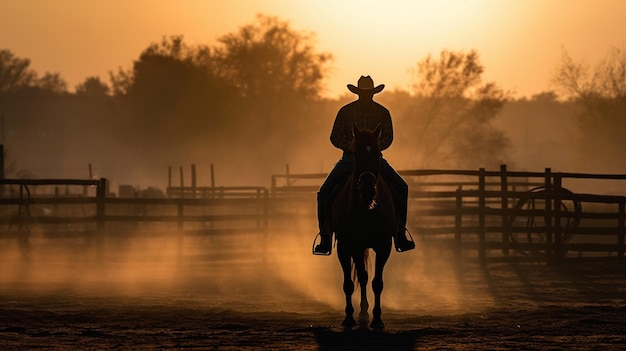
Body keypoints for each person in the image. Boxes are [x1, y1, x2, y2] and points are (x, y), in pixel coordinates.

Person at [314, 75, 415, 255]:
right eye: (364, 93)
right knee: (323, 193)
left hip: (373, 160)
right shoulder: (347, 112)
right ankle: (326, 234)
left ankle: (399, 230)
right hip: (350, 160)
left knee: (402, 187)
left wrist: (371, 149)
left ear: (372, 93)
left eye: (368, 93)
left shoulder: (380, 113)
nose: (366, 96)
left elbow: (388, 138)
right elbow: (335, 137)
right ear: (359, 93)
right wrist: (353, 147)